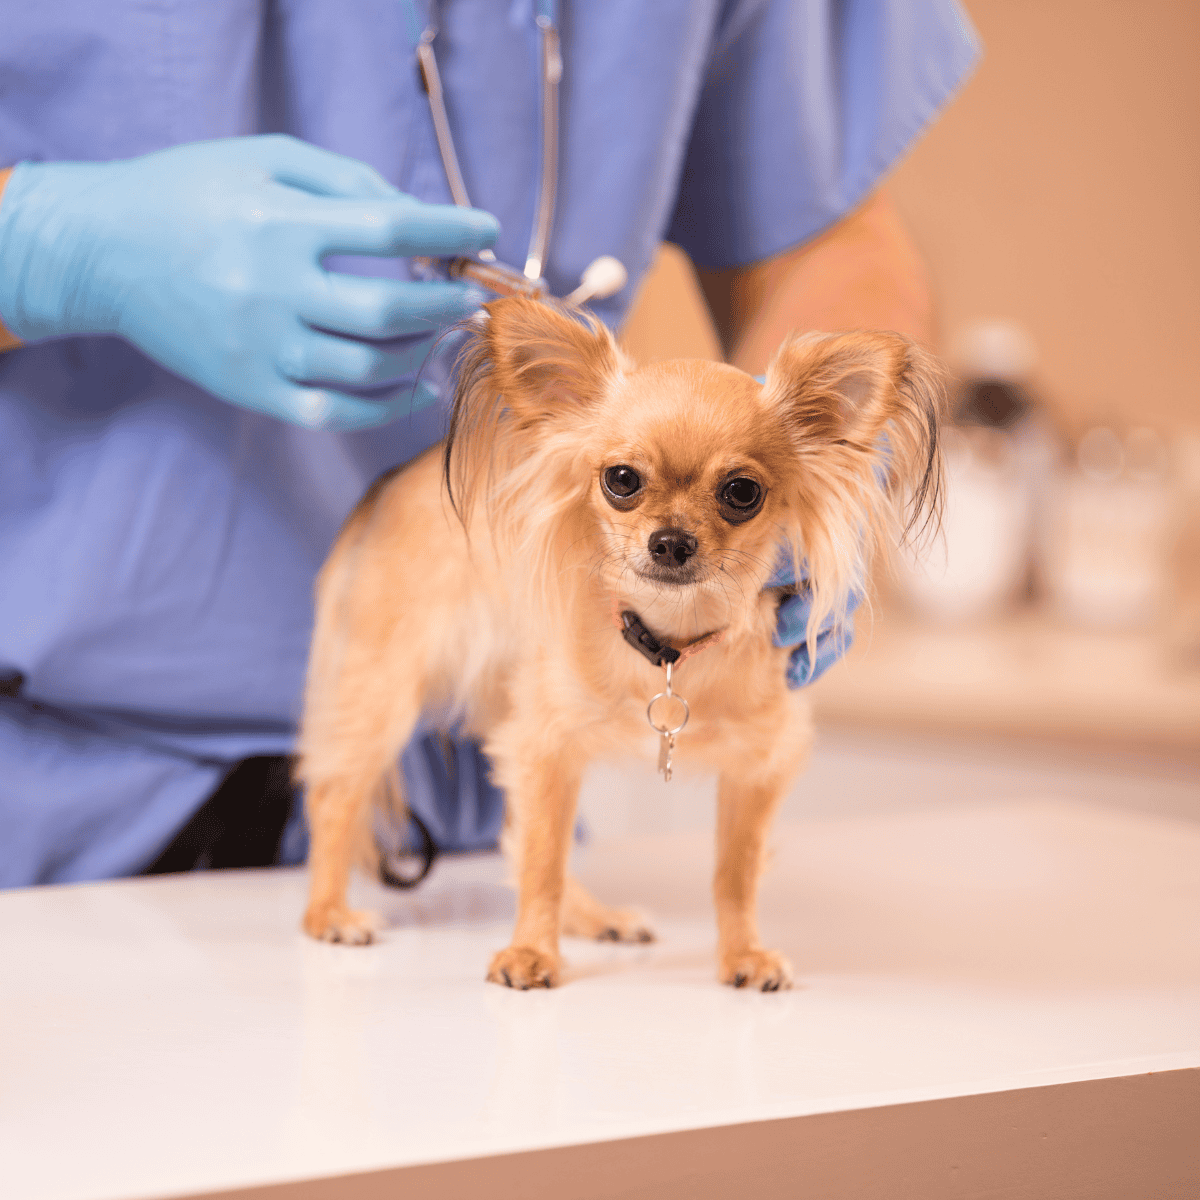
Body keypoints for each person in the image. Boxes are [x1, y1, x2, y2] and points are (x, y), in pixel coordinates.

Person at [0, 1, 978, 888]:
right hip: (49, 813)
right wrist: (45, 244)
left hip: (474, 818)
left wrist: (824, 476)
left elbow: (826, 233)